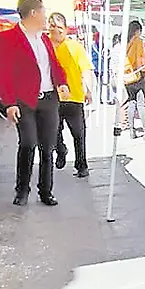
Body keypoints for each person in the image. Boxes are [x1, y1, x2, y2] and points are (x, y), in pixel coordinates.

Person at [0, 0, 69, 206]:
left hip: (49, 99)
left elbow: (54, 65)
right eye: (44, 11)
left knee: (47, 147)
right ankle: (22, 189)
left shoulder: (44, 38)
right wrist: (9, 103)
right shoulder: (7, 38)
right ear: (34, 12)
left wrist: (62, 82)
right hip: (24, 101)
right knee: (28, 143)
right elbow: (3, 74)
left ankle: (46, 191)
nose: (47, 17)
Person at [47, 12, 93, 178]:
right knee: (54, 132)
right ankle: (61, 150)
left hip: (74, 97)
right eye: (53, 27)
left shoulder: (75, 47)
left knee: (79, 133)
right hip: (52, 98)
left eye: (60, 27)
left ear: (66, 29)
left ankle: (82, 165)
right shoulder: (44, 46)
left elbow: (86, 69)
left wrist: (88, 89)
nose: (56, 31)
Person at [123, 20, 145, 138]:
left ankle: (131, 131)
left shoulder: (125, 41)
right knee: (141, 104)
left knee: (131, 102)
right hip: (137, 75)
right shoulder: (138, 41)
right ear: (137, 30)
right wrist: (142, 71)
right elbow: (138, 59)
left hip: (127, 76)